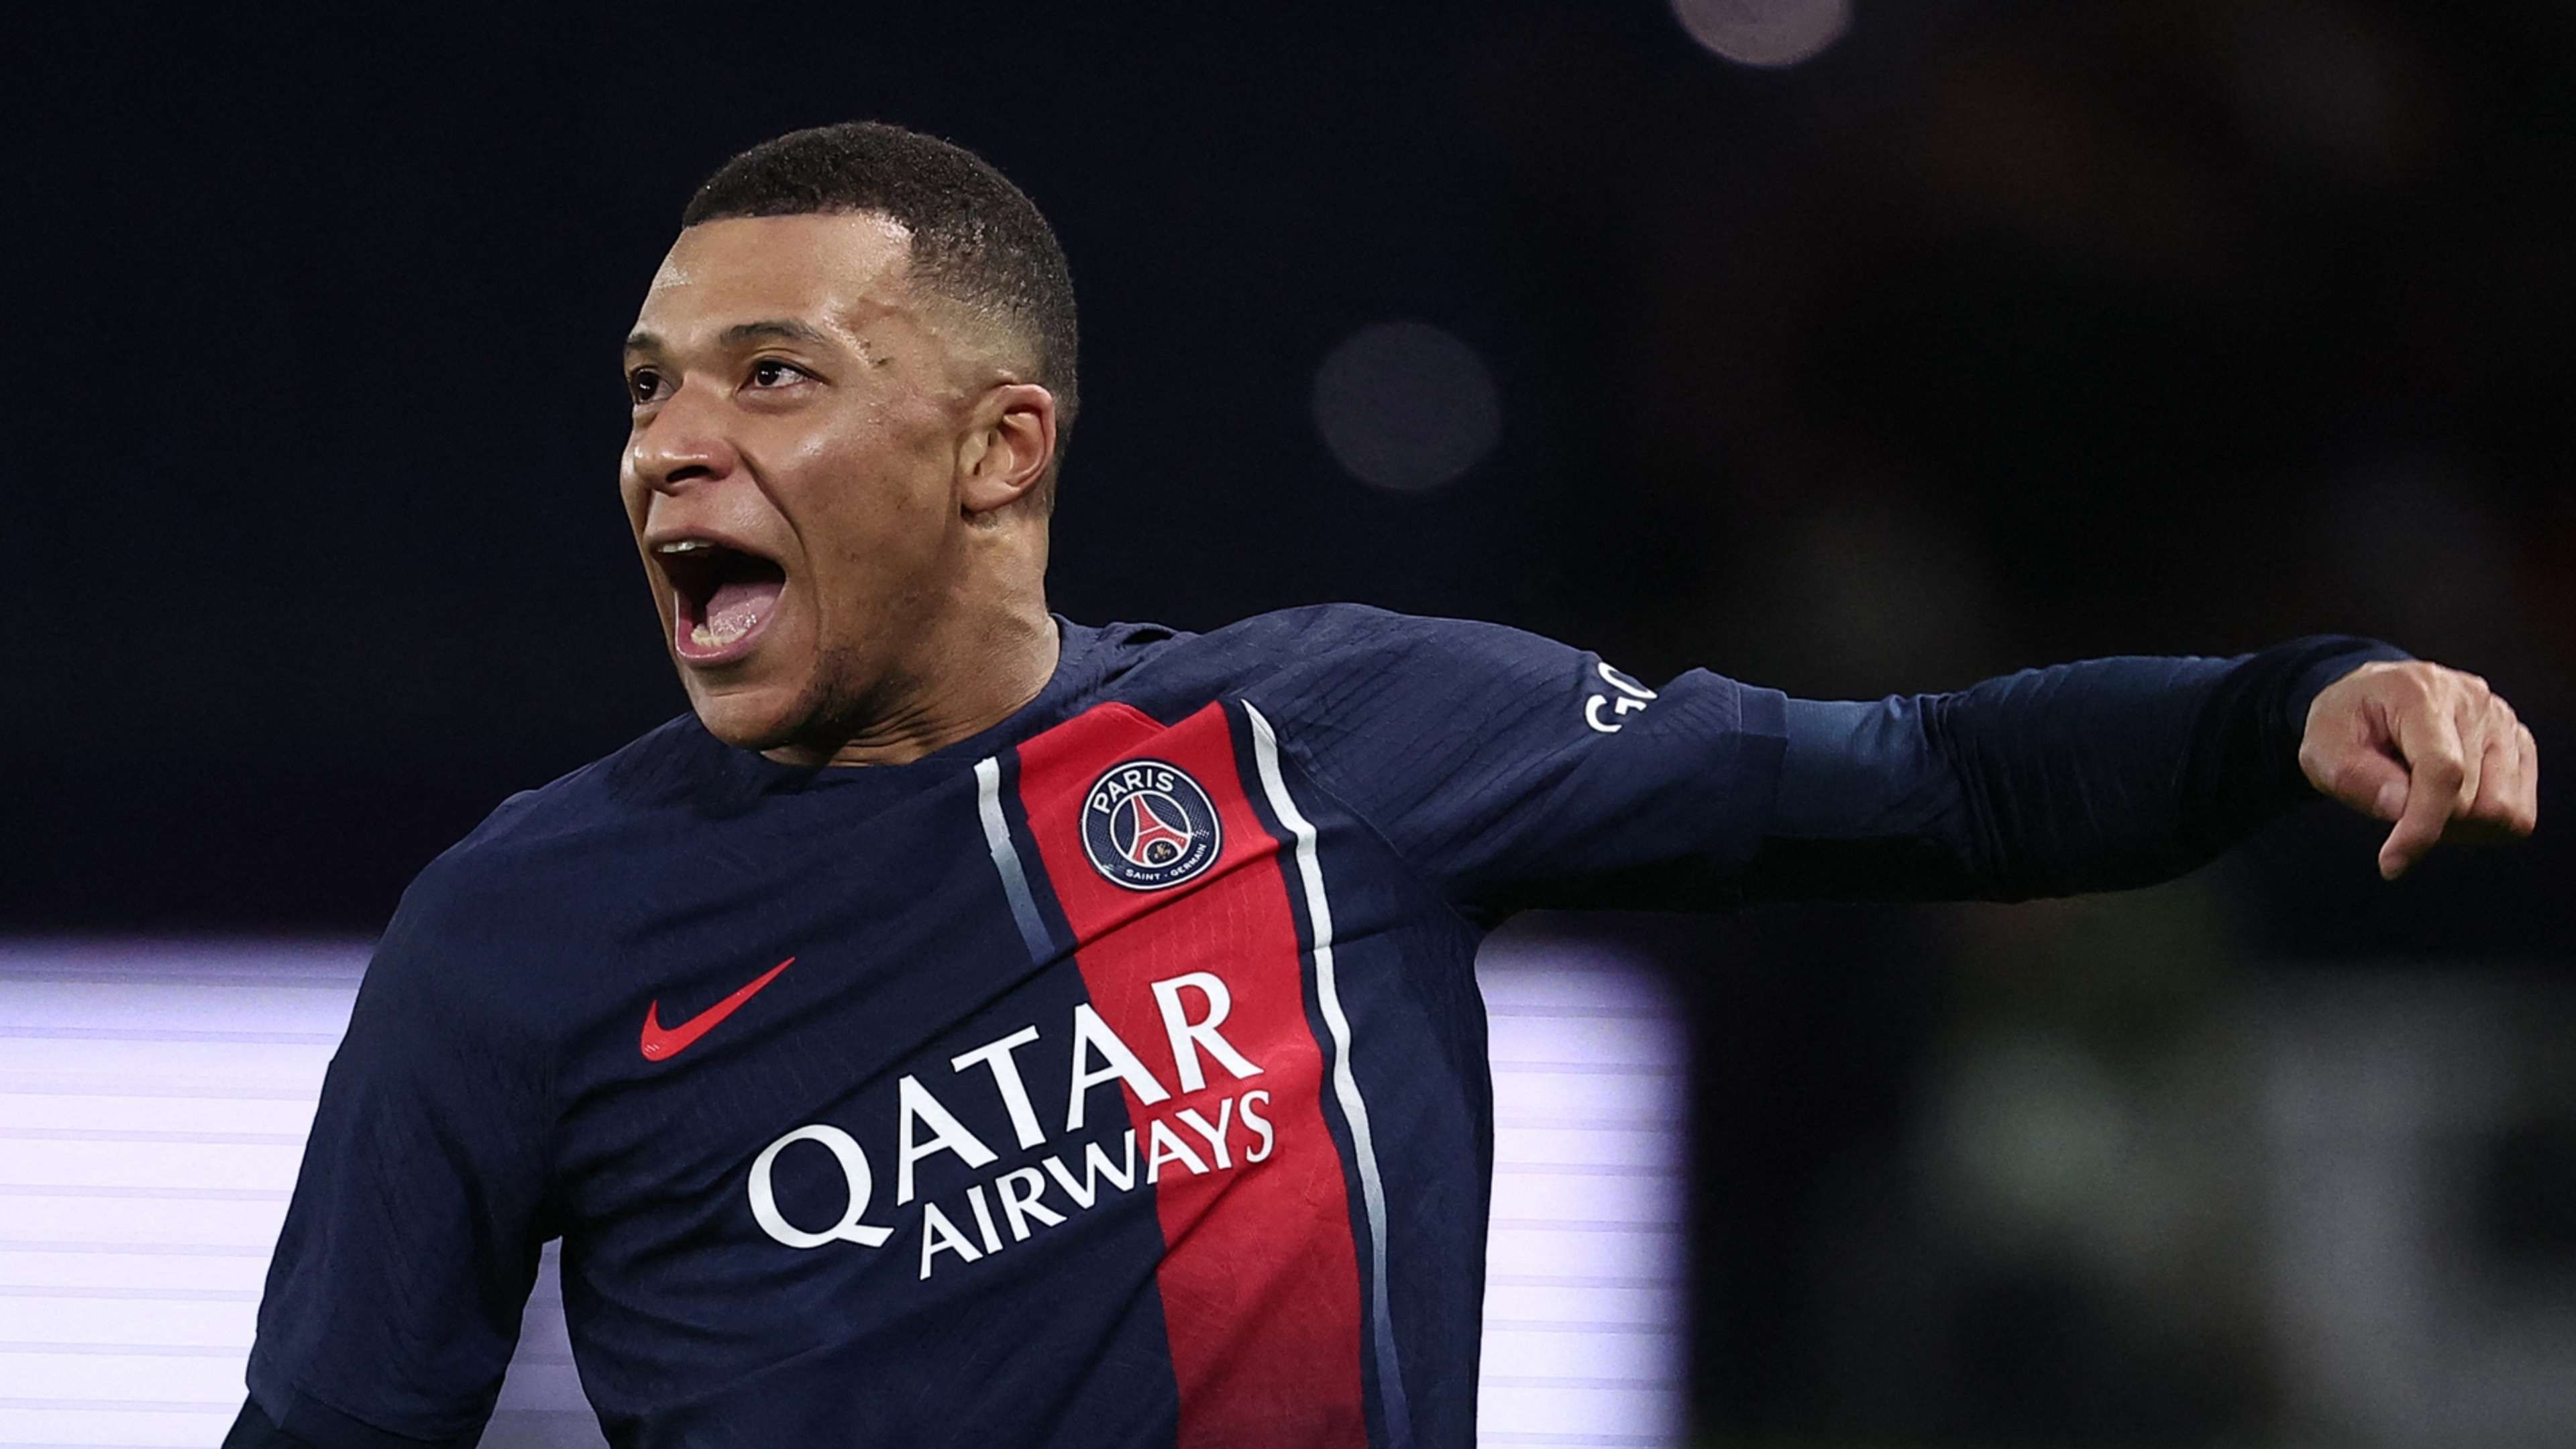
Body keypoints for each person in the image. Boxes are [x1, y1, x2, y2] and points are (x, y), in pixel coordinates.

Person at [225, 121, 2539, 1449]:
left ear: (1000, 447)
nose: (669, 448)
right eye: (647, 392)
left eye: (769, 373)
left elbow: (1921, 780)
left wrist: (2279, 706)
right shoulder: (517, 936)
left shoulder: (1323, 744)